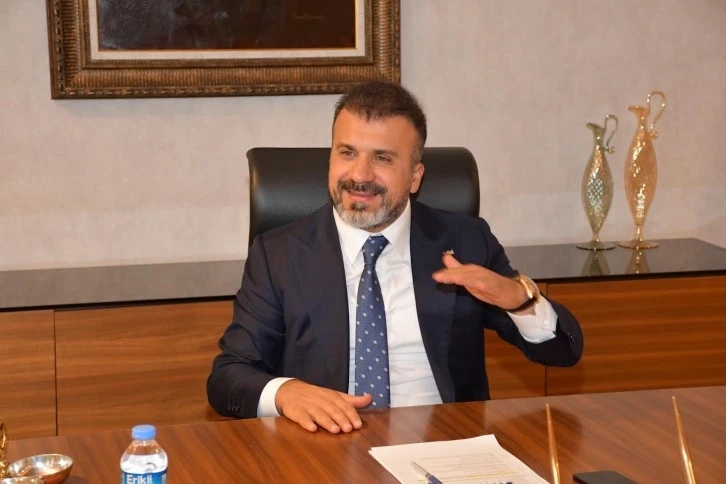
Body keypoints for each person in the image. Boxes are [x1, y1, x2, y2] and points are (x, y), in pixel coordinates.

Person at [207, 81, 583, 434]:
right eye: (347, 153)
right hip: (326, 448)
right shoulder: (279, 255)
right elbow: (228, 378)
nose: (360, 175)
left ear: (415, 177)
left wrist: (520, 301)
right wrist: (286, 393)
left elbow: (564, 352)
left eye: (382, 158)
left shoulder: (465, 241)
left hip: (447, 448)